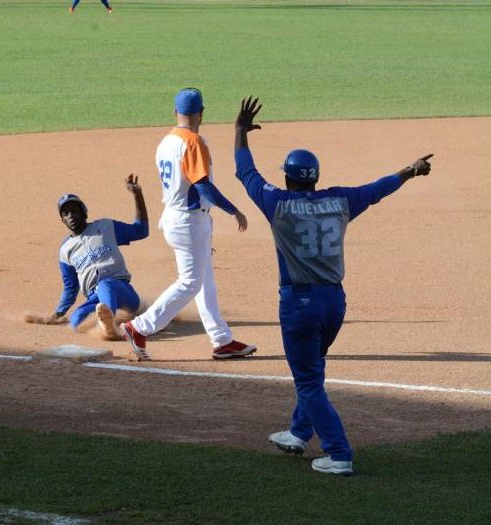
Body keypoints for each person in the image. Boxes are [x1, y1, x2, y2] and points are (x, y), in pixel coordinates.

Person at [233, 96, 434, 475]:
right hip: (334, 304)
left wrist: (240, 131)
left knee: (308, 381)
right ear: (316, 177)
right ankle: (298, 431)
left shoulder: (276, 202)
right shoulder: (340, 201)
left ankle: (339, 453)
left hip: (299, 305)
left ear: (289, 178)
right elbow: (378, 188)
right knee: (314, 366)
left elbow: (246, 172)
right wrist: (410, 170)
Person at [119, 88, 257, 362]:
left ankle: (222, 341)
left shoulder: (166, 142)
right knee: (191, 282)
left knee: (205, 281)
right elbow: (203, 186)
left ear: (176, 113)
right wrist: (233, 210)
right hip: (188, 220)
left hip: (178, 216)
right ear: (201, 113)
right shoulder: (193, 142)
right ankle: (139, 327)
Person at [36, 174, 148, 339]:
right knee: (76, 321)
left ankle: (108, 326)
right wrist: (59, 313)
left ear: (84, 212)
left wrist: (137, 195)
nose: (71, 216)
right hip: (95, 299)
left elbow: (141, 231)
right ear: (62, 220)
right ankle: (107, 321)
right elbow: (70, 287)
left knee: (105, 285)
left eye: (75, 211)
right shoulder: (65, 250)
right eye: (66, 213)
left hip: (121, 290)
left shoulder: (105, 226)